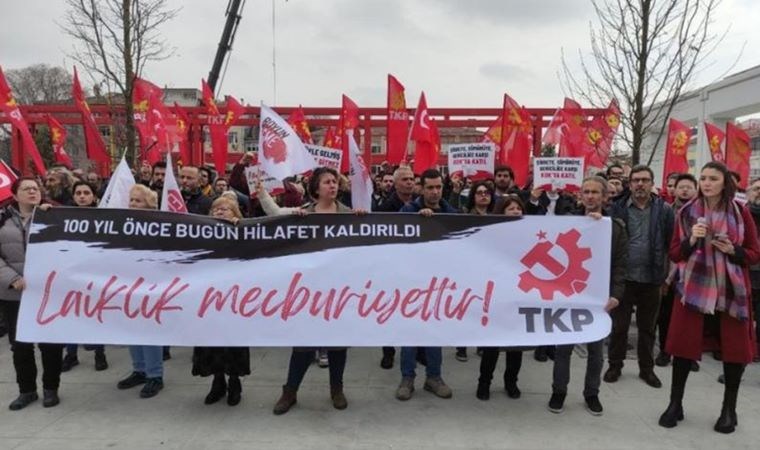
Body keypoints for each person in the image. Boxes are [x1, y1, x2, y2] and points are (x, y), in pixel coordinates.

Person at [658, 162, 760, 434]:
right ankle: (675, 404)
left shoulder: (741, 211)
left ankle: (729, 410)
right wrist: (692, 240)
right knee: (682, 348)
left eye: (713, 178)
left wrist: (733, 250)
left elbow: (754, 253)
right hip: (694, 290)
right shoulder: (686, 212)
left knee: (734, 352)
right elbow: (675, 253)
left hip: (730, 292)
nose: (706, 183)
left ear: (725, 182)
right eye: (703, 178)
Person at [272, 167, 354, 415]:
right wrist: (294, 222)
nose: (333, 185)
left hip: (338, 291)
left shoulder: (348, 214)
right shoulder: (303, 214)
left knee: (337, 344)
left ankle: (336, 388)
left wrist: (362, 221)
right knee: (303, 344)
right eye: (327, 182)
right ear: (316, 188)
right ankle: (290, 391)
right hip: (308, 292)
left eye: (335, 181)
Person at [548, 176, 627, 415]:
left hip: (598, 297)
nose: (590, 196)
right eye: (586, 192)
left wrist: (616, 295)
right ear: (580, 195)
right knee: (563, 348)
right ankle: (558, 391)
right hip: (570, 294)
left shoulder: (615, 227)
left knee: (595, 350)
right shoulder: (567, 222)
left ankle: (592, 393)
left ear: (605, 197)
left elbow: (621, 265)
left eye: (595, 192)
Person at [605, 165, 674, 388]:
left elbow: (669, 243)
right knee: (619, 327)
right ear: (629, 183)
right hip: (623, 278)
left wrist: (666, 277)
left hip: (652, 278)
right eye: (636, 180)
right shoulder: (616, 208)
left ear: (652, 183)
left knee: (647, 329)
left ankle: (647, 369)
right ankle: (615, 365)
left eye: (645, 180)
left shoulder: (665, 210)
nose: (640, 184)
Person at [0, 177, 64, 410]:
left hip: (47, 292)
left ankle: (50, 389)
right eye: (26, 189)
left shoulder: (52, 215)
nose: (32, 192)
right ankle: (26, 391)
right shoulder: (2, 219)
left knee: (50, 344)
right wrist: (12, 279)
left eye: (35, 188)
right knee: (20, 345)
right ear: (15, 195)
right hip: (15, 294)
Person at [396, 169, 455, 402]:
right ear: (421, 188)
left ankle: (434, 377)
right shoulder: (408, 211)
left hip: (439, 283)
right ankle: (407, 378)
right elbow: (396, 237)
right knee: (410, 333)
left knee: (434, 332)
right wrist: (417, 220)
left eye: (438, 187)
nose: (435, 192)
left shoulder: (451, 213)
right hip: (411, 282)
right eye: (430, 187)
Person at [191, 197, 251, 406]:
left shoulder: (243, 234)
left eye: (225, 209)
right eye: (215, 209)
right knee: (211, 342)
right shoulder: (202, 234)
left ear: (235, 213)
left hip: (233, 298)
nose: (219, 212)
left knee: (233, 341)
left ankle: (234, 382)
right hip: (208, 297)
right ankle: (217, 381)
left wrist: (239, 231)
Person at [477, 195, 529, 401]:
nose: (516, 211)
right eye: (511, 208)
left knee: (516, 345)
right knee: (492, 344)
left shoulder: (529, 234)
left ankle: (511, 382)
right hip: (497, 295)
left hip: (519, 295)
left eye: (518, 208)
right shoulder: (491, 235)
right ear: (501, 212)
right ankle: (484, 382)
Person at [116, 185, 166, 399]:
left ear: (149, 204)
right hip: (128, 284)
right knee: (132, 328)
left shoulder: (160, 225)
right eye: (131, 200)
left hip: (152, 285)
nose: (133, 204)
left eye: (138, 200)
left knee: (149, 330)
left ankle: (155, 375)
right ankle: (139, 370)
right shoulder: (123, 225)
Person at [60, 181, 108, 373]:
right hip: (72, 274)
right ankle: (71, 354)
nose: (82, 196)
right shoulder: (64, 217)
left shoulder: (105, 218)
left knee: (96, 314)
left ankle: (99, 353)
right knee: (71, 314)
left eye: (86, 193)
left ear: (94, 197)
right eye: (78, 193)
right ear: (73, 196)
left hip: (96, 274)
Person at [656, 174, 699, 370]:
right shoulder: (666, 211)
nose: (684, 190)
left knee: (690, 317)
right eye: (680, 187)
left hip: (694, 272)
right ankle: (665, 350)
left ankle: (688, 356)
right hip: (669, 269)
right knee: (665, 314)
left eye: (689, 187)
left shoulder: (702, 212)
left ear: (696, 190)